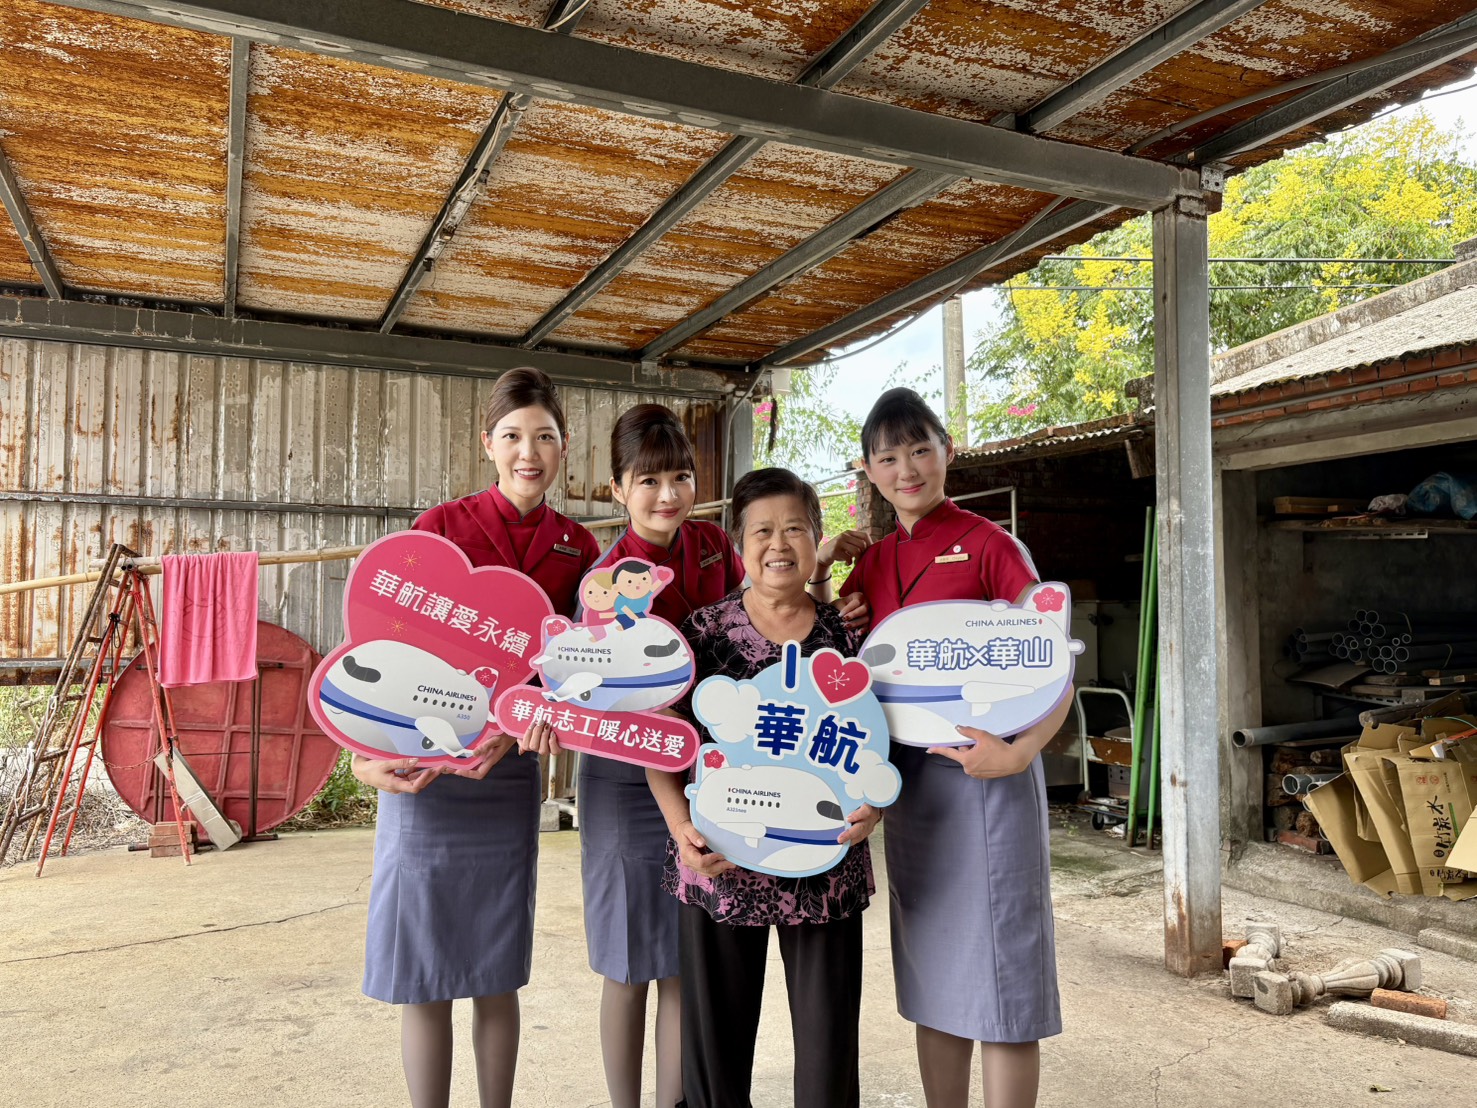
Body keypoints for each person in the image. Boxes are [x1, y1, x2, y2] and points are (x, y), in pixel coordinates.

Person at [351, 367, 600, 1108]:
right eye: (514, 435)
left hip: (508, 776)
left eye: (546, 437)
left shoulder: (579, 550)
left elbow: (583, 669)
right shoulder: (441, 529)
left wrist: (541, 716)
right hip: (426, 774)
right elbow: (381, 646)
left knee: (495, 963)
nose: (530, 452)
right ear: (487, 442)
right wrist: (368, 757)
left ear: (564, 448)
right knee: (423, 970)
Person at [838, 388, 1069, 1108]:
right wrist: (821, 567)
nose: (905, 468)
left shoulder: (992, 545)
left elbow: (1053, 662)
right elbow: (823, 652)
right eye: (887, 457)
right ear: (868, 472)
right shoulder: (874, 564)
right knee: (933, 970)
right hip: (913, 793)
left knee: (1003, 972)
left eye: (919, 449)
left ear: (947, 452)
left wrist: (1023, 752)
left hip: (987, 780)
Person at [647, 466, 881, 1108]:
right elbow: (661, 746)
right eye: (763, 532)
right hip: (720, 862)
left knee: (828, 1052)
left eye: (795, 530)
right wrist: (679, 829)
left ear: (816, 540)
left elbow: (879, 750)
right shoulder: (701, 635)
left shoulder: (850, 637)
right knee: (714, 1055)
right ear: (738, 545)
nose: (779, 545)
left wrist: (873, 809)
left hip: (826, 866)